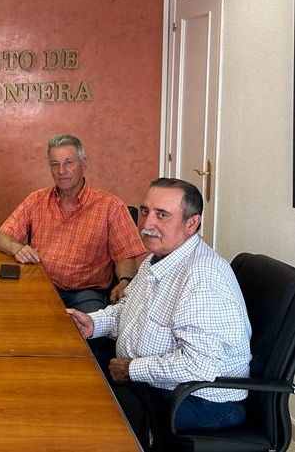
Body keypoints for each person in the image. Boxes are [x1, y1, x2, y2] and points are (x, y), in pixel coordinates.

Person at [67, 178, 251, 450]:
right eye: (145, 211)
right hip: (155, 381)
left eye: (162, 215)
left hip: (199, 400)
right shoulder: (158, 260)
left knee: (92, 413)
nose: (147, 224)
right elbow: (129, 311)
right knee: (75, 375)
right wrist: (93, 323)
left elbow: (199, 366)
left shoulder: (203, 276)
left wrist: (132, 369)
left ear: (192, 223)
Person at [0, 134, 145, 312]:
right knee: (7, 319)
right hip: (41, 287)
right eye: (55, 164)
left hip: (87, 293)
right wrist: (17, 249)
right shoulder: (36, 199)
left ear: (84, 164)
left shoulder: (111, 206)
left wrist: (124, 282)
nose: (61, 171)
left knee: (88, 334)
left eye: (68, 163)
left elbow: (125, 256)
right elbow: (0, 237)